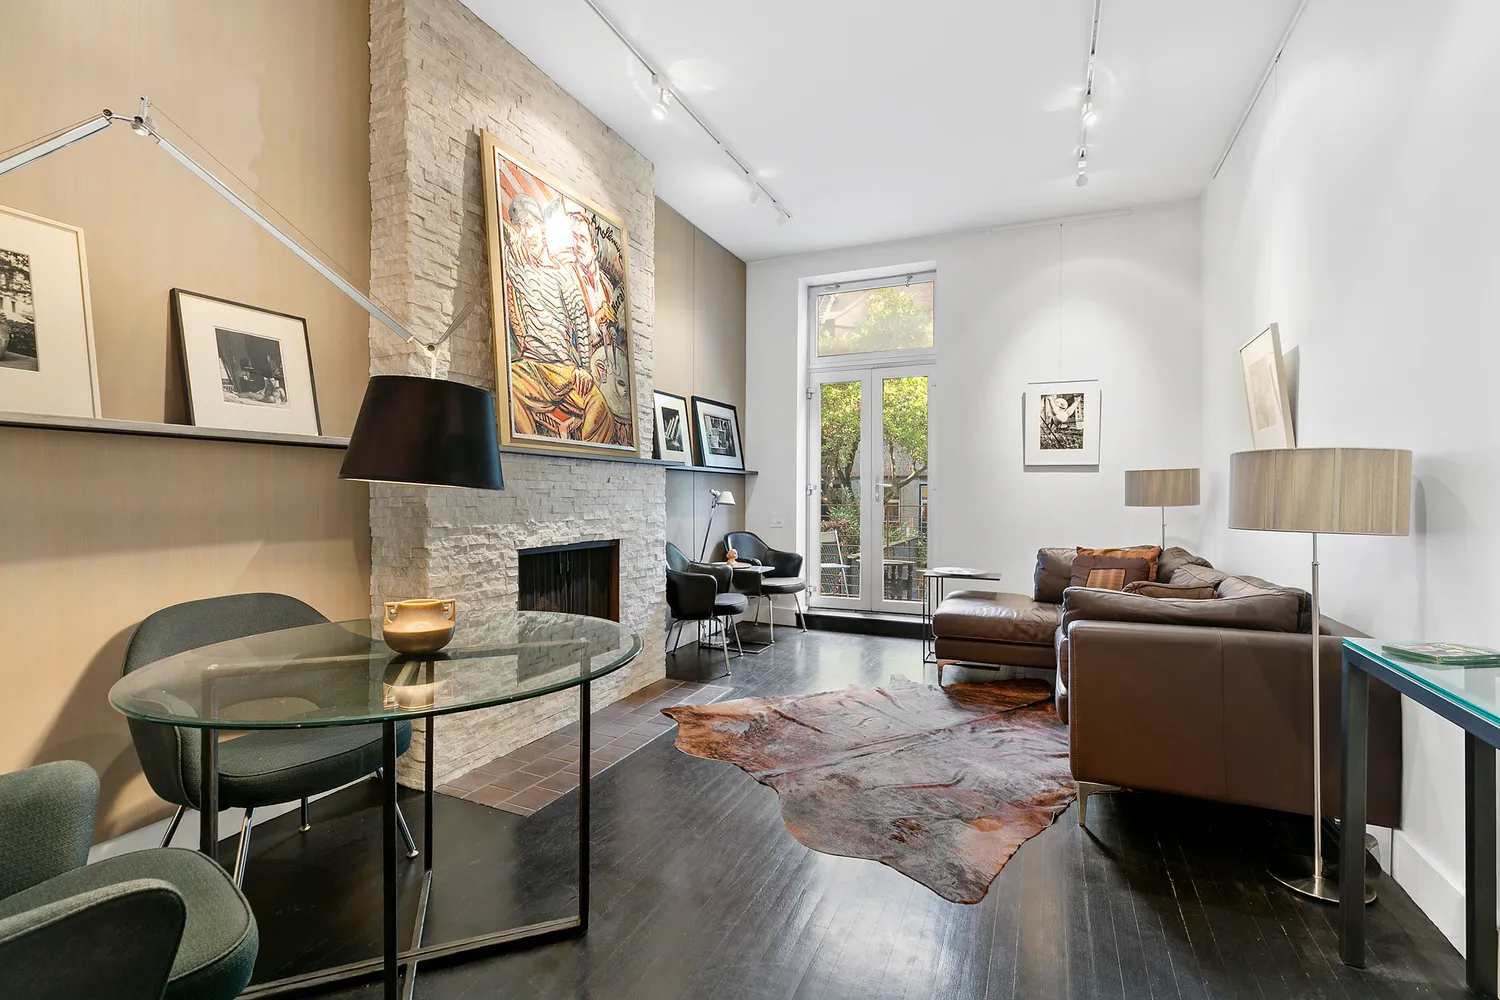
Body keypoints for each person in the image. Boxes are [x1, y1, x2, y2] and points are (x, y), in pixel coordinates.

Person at [501, 194, 610, 439]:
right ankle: (530, 453)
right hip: (531, 368)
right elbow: (496, 229)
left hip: (565, 370)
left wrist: (583, 368)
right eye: (521, 227)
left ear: (543, 228)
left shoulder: (563, 275)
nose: (527, 234)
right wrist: (511, 233)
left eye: (530, 225)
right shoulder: (517, 265)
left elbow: (581, 322)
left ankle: (584, 459)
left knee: (601, 410)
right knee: (508, 389)